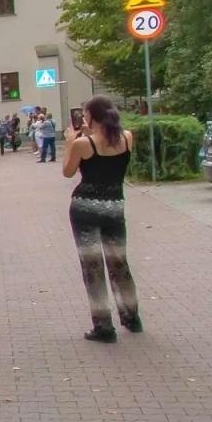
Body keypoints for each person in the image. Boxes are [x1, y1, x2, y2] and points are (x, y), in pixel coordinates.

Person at [63, 96, 141, 342]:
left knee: (92, 266)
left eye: (85, 115)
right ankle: (131, 316)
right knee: (119, 263)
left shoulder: (83, 144)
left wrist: (70, 142)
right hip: (115, 207)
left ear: (92, 117)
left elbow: (68, 171)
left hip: (85, 208)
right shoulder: (127, 137)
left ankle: (103, 326)